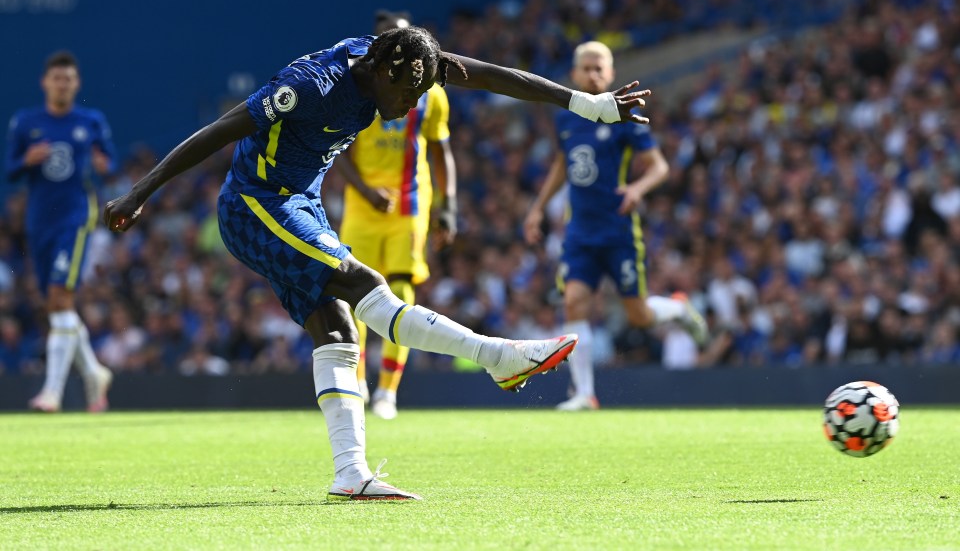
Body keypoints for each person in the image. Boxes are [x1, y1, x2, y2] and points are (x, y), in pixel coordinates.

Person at [103, 27, 649, 500]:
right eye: (409, 92)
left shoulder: (400, 63)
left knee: (339, 333)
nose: (411, 105)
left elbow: (493, 77)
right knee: (365, 283)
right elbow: (221, 130)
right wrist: (141, 191)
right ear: (382, 71)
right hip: (256, 203)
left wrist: (589, 104)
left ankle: (351, 474)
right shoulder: (310, 87)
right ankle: (496, 356)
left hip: (302, 203)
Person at [524, 41, 707, 412]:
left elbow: (659, 166)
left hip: (618, 229)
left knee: (638, 316)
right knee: (574, 301)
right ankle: (583, 393)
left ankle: (678, 310)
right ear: (573, 73)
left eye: (599, 69)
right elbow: (564, 163)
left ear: (610, 74)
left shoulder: (624, 113)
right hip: (579, 232)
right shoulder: (565, 116)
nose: (592, 75)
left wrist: (638, 188)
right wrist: (538, 208)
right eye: (586, 68)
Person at [336, 10, 458, 420]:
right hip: (362, 206)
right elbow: (341, 154)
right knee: (355, 294)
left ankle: (388, 389)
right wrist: (366, 191)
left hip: (409, 203)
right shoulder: (360, 87)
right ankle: (356, 382)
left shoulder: (433, 94)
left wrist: (448, 206)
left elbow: (441, 152)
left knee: (402, 287)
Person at [6, 51, 115, 413]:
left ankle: (51, 392)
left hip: (76, 215)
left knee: (60, 297)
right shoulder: (25, 122)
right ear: (46, 82)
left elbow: (109, 162)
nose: (63, 84)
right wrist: (26, 161)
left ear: (76, 84)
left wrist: (103, 164)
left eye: (68, 79)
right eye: (57, 78)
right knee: (55, 304)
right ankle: (95, 373)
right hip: (39, 219)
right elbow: (9, 169)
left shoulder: (91, 120)